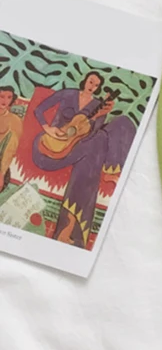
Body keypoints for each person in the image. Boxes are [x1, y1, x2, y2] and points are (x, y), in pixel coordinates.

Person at [31, 71, 136, 248]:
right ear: (85, 80)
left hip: (77, 146)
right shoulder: (68, 94)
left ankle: (68, 227)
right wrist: (48, 128)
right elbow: (39, 109)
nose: (92, 86)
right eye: (90, 81)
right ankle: (71, 230)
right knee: (96, 145)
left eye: (96, 85)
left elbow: (92, 133)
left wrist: (98, 116)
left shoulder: (97, 105)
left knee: (122, 124)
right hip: (50, 147)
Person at [0, 85, 22, 193]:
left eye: (9, 97)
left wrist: (1, 173)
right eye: (2, 96)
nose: (5, 101)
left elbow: (10, 150)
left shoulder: (15, 121)